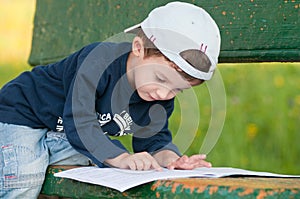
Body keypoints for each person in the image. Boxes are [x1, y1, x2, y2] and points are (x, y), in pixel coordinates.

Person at [0, 1, 221, 198]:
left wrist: (171, 160)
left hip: (59, 134)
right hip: (21, 114)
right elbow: (80, 121)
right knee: (24, 176)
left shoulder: (158, 96)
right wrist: (119, 156)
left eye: (178, 90)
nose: (164, 95)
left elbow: (154, 141)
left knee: (90, 167)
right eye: (160, 78)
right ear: (138, 48)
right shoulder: (98, 62)